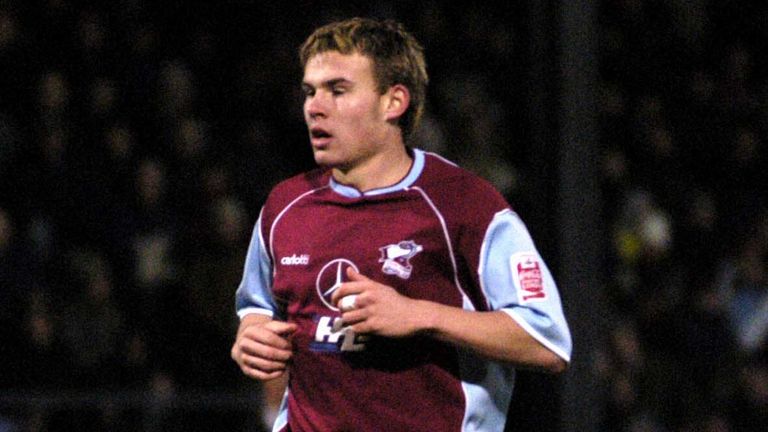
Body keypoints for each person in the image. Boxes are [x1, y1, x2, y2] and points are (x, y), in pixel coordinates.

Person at [231, 17, 572, 432]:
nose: (314, 107)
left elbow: (546, 340)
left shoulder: (464, 205)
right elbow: (257, 306)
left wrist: (418, 314)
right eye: (310, 91)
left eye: (338, 90)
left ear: (394, 102)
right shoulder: (286, 204)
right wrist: (251, 336)